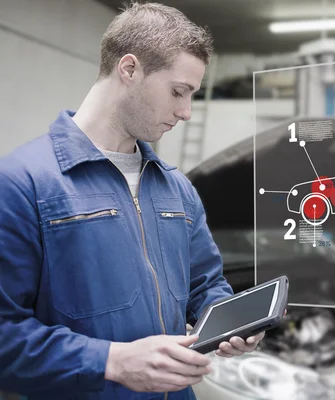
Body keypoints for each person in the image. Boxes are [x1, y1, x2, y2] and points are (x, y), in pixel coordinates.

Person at [0, 2, 264, 399]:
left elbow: (205, 284)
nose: (186, 112)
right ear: (129, 69)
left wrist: (227, 323)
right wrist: (112, 361)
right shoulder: (22, 184)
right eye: (179, 92)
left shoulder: (177, 189)